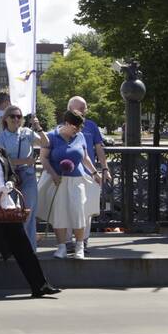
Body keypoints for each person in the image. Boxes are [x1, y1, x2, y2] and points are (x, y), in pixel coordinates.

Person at [0, 121, 60, 298]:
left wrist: (11, 182)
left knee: (23, 247)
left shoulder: (0, 152)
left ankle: (40, 285)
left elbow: (12, 174)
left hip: (7, 205)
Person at [38, 110, 102, 259]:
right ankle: (61, 247)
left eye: (80, 128)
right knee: (59, 213)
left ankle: (79, 246)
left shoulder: (80, 136)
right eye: (76, 127)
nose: (78, 130)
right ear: (66, 123)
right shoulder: (51, 136)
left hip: (77, 179)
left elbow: (85, 157)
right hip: (58, 180)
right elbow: (44, 158)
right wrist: (53, 174)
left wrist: (94, 172)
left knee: (78, 211)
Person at [0, 105, 49, 249]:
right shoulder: (0, 137)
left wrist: (38, 127)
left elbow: (46, 143)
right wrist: (25, 161)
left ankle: (30, 248)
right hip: (9, 177)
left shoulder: (27, 133)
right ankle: (11, 246)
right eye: (12, 116)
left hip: (28, 175)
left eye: (19, 116)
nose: (16, 119)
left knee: (29, 212)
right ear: (5, 119)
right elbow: (2, 160)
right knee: (9, 212)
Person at [67, 96, 109, 245]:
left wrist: (104, 168)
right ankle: (68, 241)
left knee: (87, 208)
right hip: (68, 174)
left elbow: (99, 147)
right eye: (81, 108)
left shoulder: (91, 125)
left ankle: (83, 240)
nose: (84, 111)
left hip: (89, 173)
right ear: (71, 109)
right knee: (68, 207)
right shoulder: (62, 127)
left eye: (85, 108)